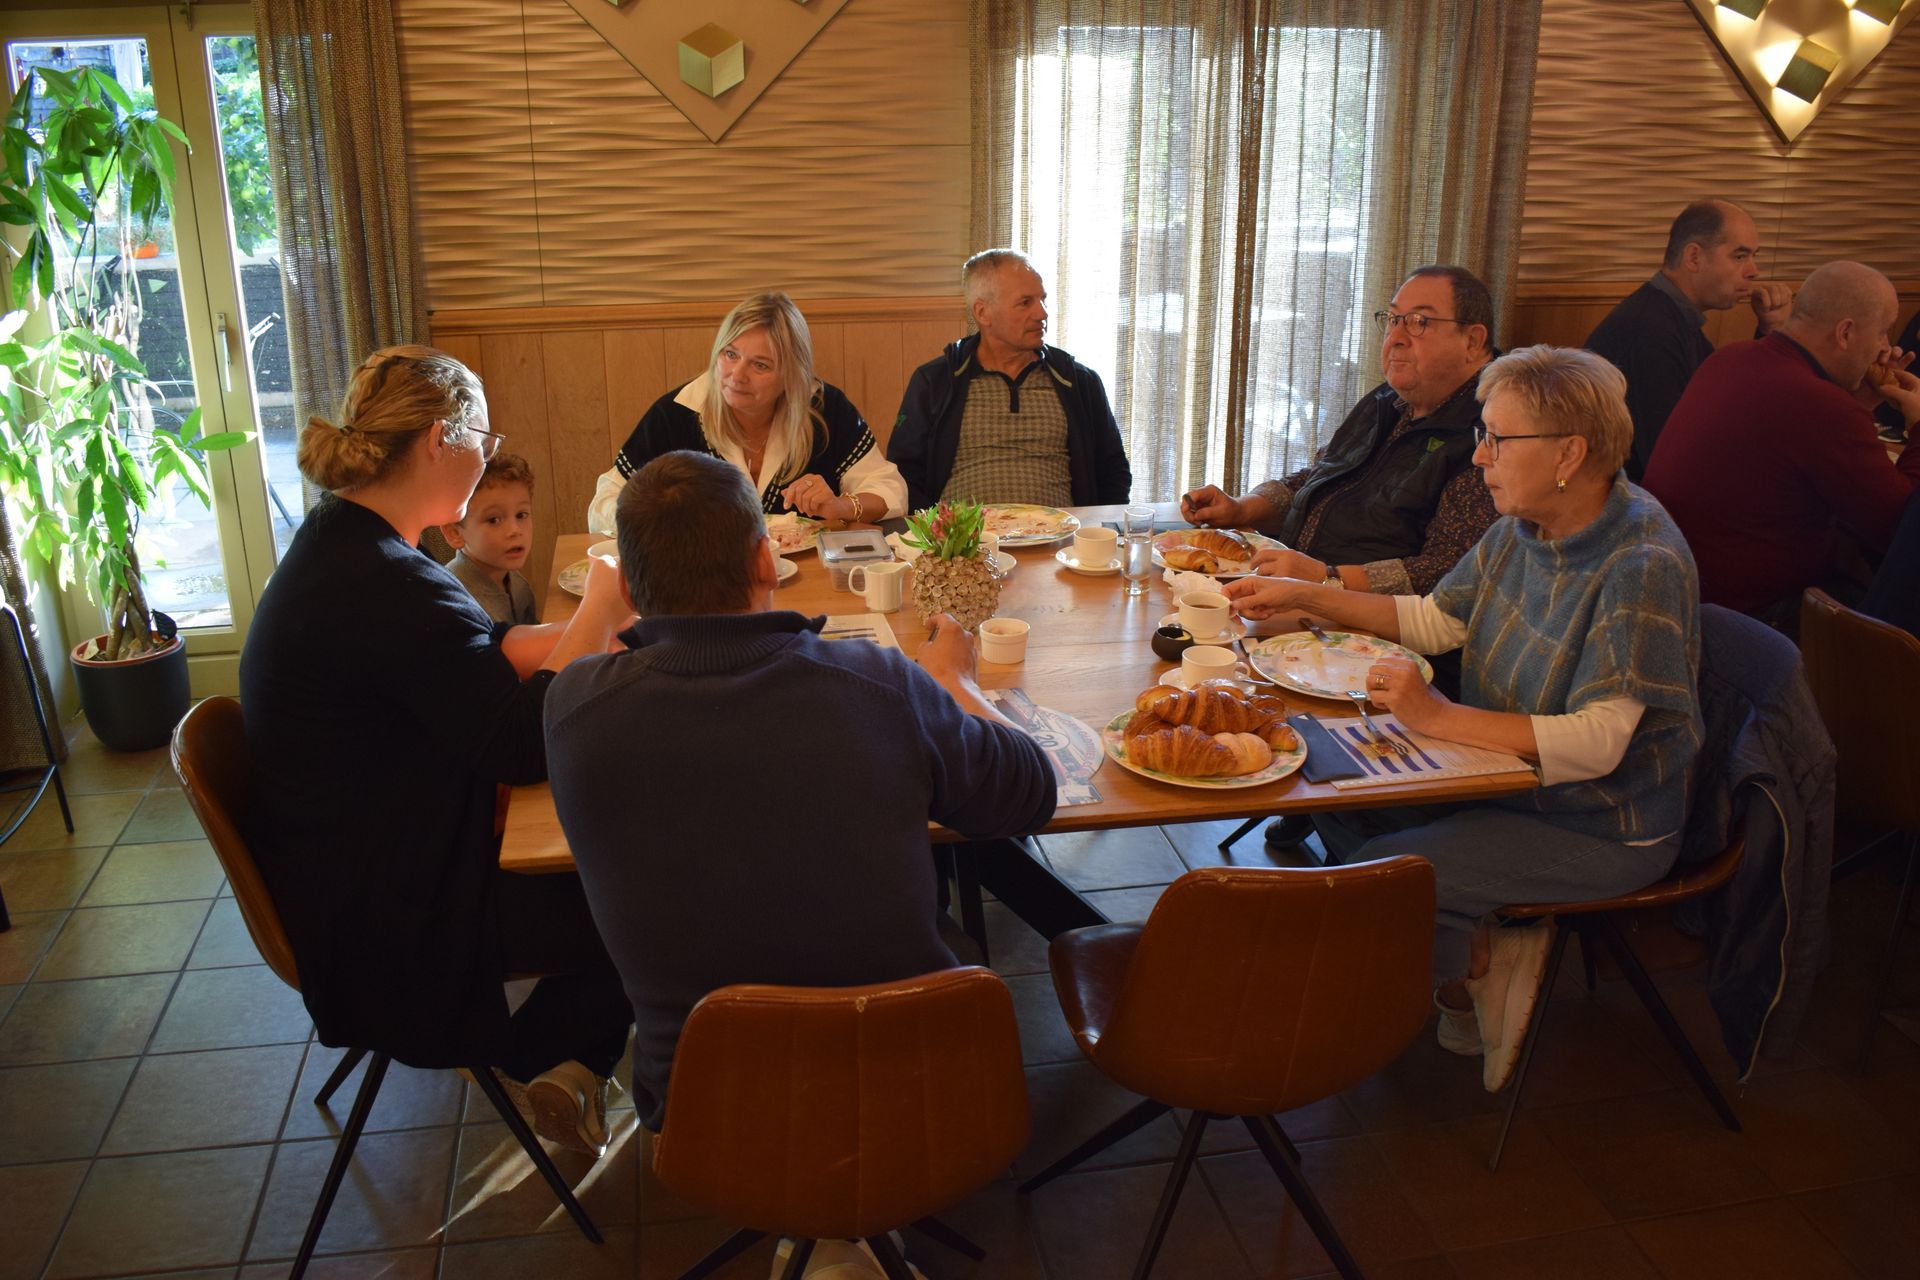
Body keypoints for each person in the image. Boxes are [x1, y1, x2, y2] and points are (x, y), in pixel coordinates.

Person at [1224, 346, 1703, 1093]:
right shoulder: (1526, 523)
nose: (1479, 456)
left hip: (1598, 819)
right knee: (1331, 788)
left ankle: (1452, 982)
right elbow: (1437, 620)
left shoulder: (1639, 562)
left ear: (1569, 453)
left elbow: (1600, 745)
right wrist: (1306, 599)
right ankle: (1479, 942)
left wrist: (1439, 716)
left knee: (1388, 876)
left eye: (1497, 439)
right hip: (1501, 778)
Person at [546, 450, 1058, 1134]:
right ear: (766, 560)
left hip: (707, 1108)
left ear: (630, 595)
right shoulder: (879, 684)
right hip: (910, 1082)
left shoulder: (572, 709)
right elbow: (1030, 793)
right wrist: (954, 681)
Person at [241, 346, 634, 1156]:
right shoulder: (385, 581)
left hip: (360, 861)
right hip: (390, 913)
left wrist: (602, 630)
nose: (487, 455)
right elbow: (520, 743)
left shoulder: (352, 542)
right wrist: (600, 603)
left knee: (618, 870)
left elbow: (479, 648)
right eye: (482, 438)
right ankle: (533, 1057)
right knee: (645, 904)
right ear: (437, 440)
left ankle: (571, 1063)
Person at [1180, 265, 1501, 598]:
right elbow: (1320, 476)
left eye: (1419, 322)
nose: (1396, 338)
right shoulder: (1388, 399)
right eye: (1393, 320)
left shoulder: (1490, 432)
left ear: (1473, 341)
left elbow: (1449, 574)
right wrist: (1241, 508)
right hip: (1292, 595)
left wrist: (1327, 577)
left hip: (1357, 619)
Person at [1644, 260, 1920, 624]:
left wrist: (1858, 404)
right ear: (1845, 332)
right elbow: (1900, 531)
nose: (1885, 348)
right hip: (1742, 617)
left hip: (1667, 587)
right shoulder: (1821, 406)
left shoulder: (1731, 356)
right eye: (1883, 332)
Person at [585, 292, 907, 535]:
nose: (737, 375)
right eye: (730, 354)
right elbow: (604, 504)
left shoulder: (823, 408)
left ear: (791, 376)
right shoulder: (676, 414)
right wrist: (667, 521)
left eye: (760, 365)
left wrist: (840, 506)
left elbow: (890, 488)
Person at [888, 248, 1132, 512]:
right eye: (1025, 302)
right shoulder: (935, 381)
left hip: (1060, 535)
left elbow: (1113, 470)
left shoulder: (1079, 381)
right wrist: (936, 530)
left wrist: (1096, 527)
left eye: (1043, 299)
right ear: (983, 313)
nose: (1042, 313)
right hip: (966, 536)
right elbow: (903, 472)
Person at [1586, 199, 1793, 478]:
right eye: (1740, 257)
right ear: (1694, 257)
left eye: (1753, 256)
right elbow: (1668, 459)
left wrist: (1771, 329)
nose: (1753, 271)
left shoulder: (1671, 316)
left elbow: (1730, 402)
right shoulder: (1649, 330)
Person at [441, 451, 539, 625]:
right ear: (455, 533)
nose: (514, 530)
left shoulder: (518, 584)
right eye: (494, 520)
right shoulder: (455, 602)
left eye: (521, 515)